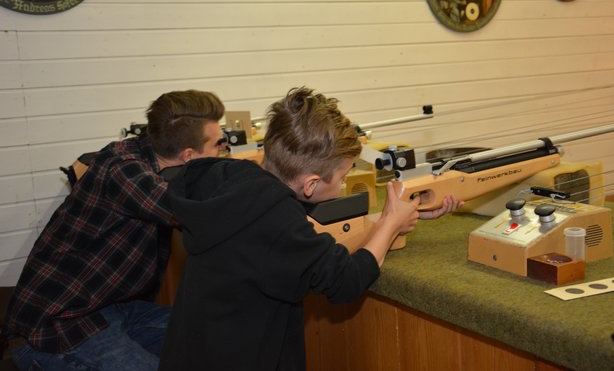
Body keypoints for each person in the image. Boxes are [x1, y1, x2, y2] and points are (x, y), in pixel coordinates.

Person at [158, 87, 462, 371]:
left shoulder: (233, 179)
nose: (344, 184)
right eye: (342, 177)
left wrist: (399, 220)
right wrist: (389, 223)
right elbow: (346, 281)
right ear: (311, 184)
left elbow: (294, 230)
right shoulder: (276, 222)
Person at [4, 89, 227, 371]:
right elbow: (195, 214)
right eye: (219, 144)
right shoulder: (122, 168)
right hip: (55, 327)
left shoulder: (150, 156)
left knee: (217, 338)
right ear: (189, 155)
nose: (223, 151)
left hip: (110, 309)